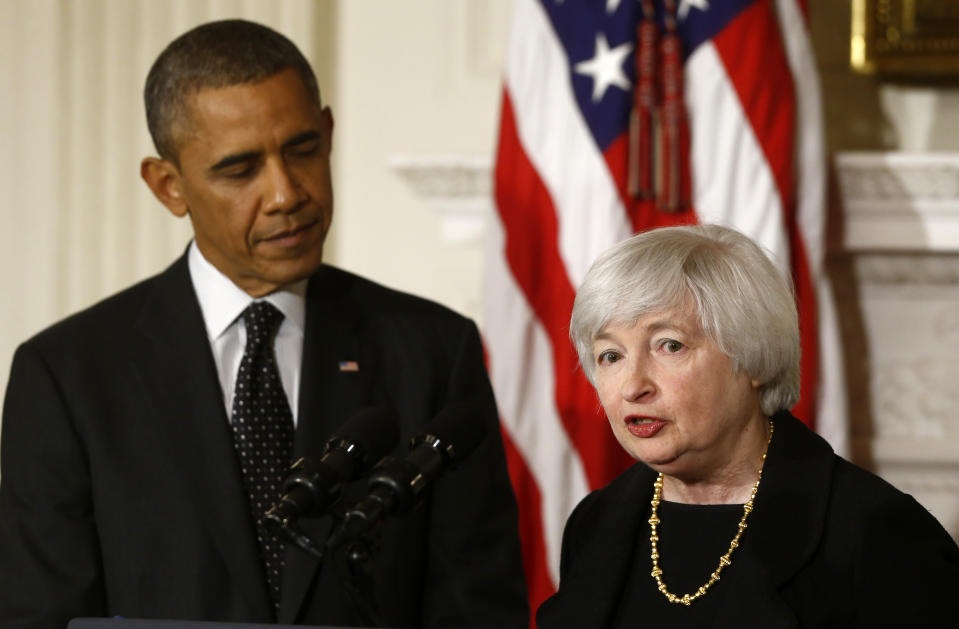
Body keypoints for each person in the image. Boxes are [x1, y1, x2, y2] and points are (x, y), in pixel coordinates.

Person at [0, 19, 527, 628]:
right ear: (169, 186)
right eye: (240, 169)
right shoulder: (68, 375)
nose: (285, 193)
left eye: (302, 149)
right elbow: (42, 615)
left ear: (328, 133)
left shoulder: (434, 350)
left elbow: (479, 608)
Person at [536, 224, 959, 628]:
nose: (632, 386)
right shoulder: (597, 523)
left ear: (750, 354)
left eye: (669, 345)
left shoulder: (874, 532)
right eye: (611, 355)